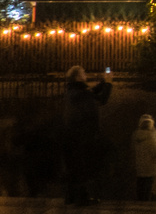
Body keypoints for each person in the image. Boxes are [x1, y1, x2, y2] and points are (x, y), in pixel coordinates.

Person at [61, 64, 111, 206]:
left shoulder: (73, 91)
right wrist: (108, 84)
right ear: (77, 76)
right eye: (83, 72)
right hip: (82, 136)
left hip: (72, 136)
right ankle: (81, 198)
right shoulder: (81, 93)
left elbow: (91, 92)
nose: (85, 74)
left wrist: (103, 82)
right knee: (82, 168)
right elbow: (101, 99)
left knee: (74, 168)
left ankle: (71, 197)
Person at [131, 115, 156, 201]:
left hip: (140, 166)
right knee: (150, 187)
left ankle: (140, 202)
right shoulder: (152, 136)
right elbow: (155, 151)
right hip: (152, 167)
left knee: (141, 185)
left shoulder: (135, 135)